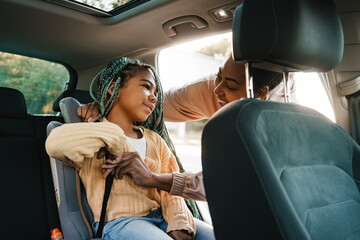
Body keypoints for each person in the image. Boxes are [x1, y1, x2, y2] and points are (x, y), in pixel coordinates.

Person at [78, 56, 294, 201]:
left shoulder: (282, 128)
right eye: (218, 76)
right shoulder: (211, 89)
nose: (216, 89)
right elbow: (158, 106)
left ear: (260, 94)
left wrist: (153, 179)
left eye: (229, 86)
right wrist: (109, 104)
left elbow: (222, 184)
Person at [46, 57, 215, 240]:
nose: (154, 96)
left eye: (156, 92)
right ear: (114, 89)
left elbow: (170, 190)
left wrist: (180, 222)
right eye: (146, 86)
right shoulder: (94, 133)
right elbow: (54, 143)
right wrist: (112, 133)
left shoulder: (155, 140)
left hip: (164, 218)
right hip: (121, 223)